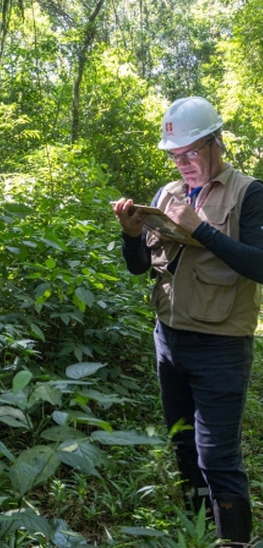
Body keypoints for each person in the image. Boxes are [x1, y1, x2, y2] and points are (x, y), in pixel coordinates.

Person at [113, 96, 263, 545]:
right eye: (175, 156)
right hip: (169, 339)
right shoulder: (167, 194)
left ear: (217, 142)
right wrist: (131, 234)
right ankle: (197, 530)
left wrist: (200, 229)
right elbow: (141, 267)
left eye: (191, 152)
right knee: (183, 446)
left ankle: (233, 540)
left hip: (221, 344)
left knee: (218, 455)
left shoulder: (250, 193)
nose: (183, 164)